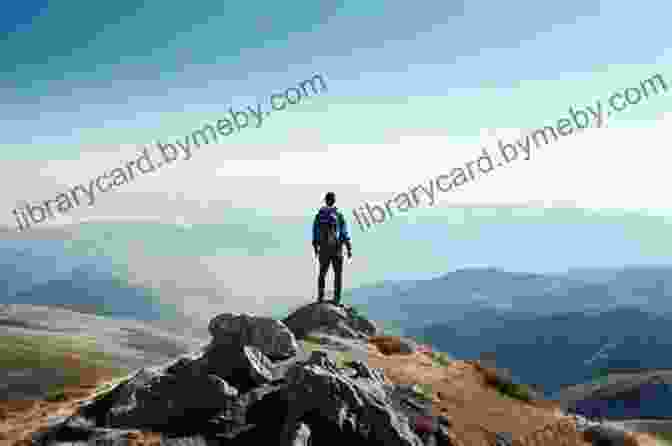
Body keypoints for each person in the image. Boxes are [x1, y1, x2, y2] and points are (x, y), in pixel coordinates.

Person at [312, 192, 352, 305]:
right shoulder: (338, 215)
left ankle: (320, 297)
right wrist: (348, 247)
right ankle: (337, 299)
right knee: (338, 274)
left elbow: (315, 231)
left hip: (324, 248)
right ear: (334, 200)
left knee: (322, 273)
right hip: (336, 249)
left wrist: (316, 246)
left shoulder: (320, 215)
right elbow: (344, 232)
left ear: (326, 200)